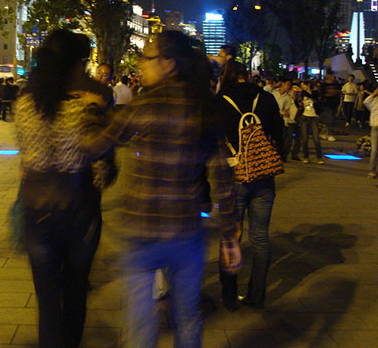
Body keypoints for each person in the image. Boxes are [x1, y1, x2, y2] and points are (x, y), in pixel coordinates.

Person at [83, 31, 241, 347]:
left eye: (147, 57)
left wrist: (89, 112)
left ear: (169, 64)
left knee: (140, 325)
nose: (141, 63)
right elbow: (222, 179)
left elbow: (94, 144)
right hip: (186, 230)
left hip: (142, 230)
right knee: (188, 319)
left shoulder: (144, 105)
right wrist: (229, 236)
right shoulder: (203, 108)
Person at [15, 29, 106, 348]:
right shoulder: (86, 108)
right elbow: (103, 163)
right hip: (78, 211)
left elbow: (26, 154)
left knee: (48, 302)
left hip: (36, 210)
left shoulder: (24, 105)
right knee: (76, 292)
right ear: (73, 66)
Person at [216, 61, 282, 311]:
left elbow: (212, 139)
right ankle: (257, 295)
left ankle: (229, 295)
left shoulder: (221, 101)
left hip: (233, 176)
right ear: (247, 75)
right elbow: (279, 135)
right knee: (260, 237)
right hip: (264, 175)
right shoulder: (266, 98)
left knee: (230, 236)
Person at [299, 81, 324, 164]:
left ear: (308, 85)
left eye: (304, 85)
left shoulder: (314, 93)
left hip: (314, 117)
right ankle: (306, 156)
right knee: (305, 138)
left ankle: (319, 157)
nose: (303, 87)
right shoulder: (302, 94)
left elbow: (314, 97)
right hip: (305, 116)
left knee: (316, 138)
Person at [271, 78, 292, 160]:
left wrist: (283, 112)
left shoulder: (287, 97)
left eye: (289, 85)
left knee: (281, 137)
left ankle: (280, 154)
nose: (288, 87)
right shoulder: (274, 92)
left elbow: (286, 110)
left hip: (280, 118)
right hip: (272, 116)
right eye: (287, 84)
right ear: (282, 84)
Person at [320, 71, 340, 141]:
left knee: (332, 119)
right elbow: (321, 94)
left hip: (334, 104)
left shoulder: (336, 84)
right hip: (326, 105)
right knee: (329, 120)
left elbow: (338, 92)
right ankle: (329, 134)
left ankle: (324, 133)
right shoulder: (323, 85)